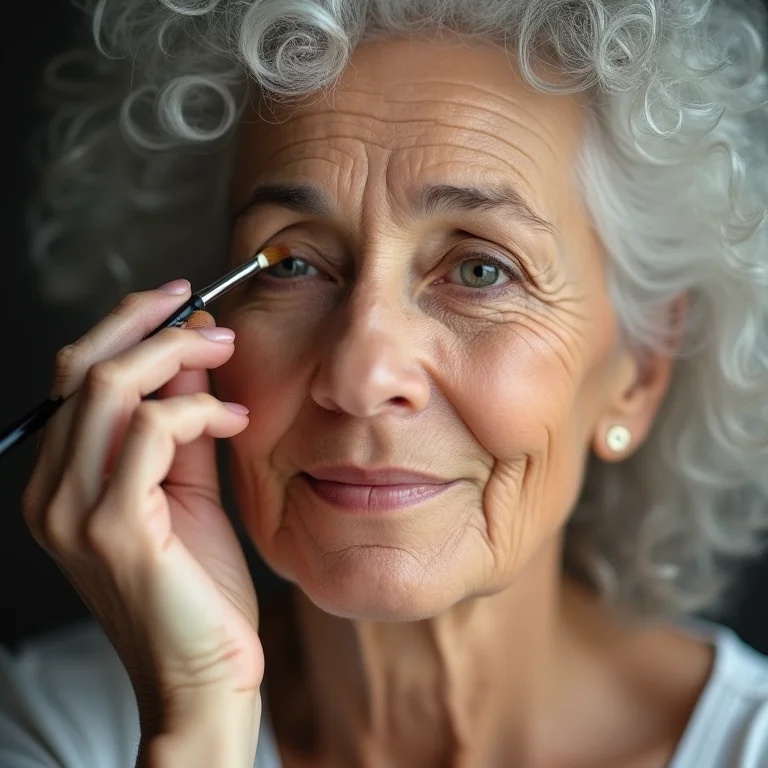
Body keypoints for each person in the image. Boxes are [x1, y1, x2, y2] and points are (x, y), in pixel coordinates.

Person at [2, 0, 768, 766]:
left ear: (640, 368)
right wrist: (199, 718)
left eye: (479, 270)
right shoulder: (57, 730)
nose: (362, 375)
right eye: (293, 264)